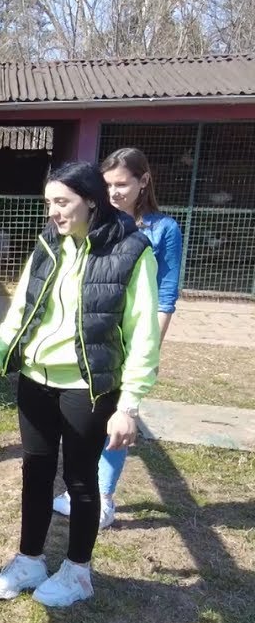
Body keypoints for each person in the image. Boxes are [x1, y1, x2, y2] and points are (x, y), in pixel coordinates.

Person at [0, 160, 160, 607]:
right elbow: (20, 308)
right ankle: (29, 560)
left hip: (87, 387)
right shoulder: (48, 244)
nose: (53, 213)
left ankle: (78, 572)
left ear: (91, 200)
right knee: (35, 473)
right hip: (35, 381)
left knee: (79, 482)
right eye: (49, 203)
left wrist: (128, 405)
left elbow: (144, 336)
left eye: (62, 202)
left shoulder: (133, 252)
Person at [52, 148, 183, 528]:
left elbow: (166, 294)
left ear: (144, 181)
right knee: (89, 414)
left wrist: (149, 347)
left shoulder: (162, 230)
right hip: (96, 337)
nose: (113, 192)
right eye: (107, 184)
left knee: (119, 415)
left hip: (132, 339)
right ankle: (81, 488)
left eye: (122, 184)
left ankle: (104, 497)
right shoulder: (98, 221)